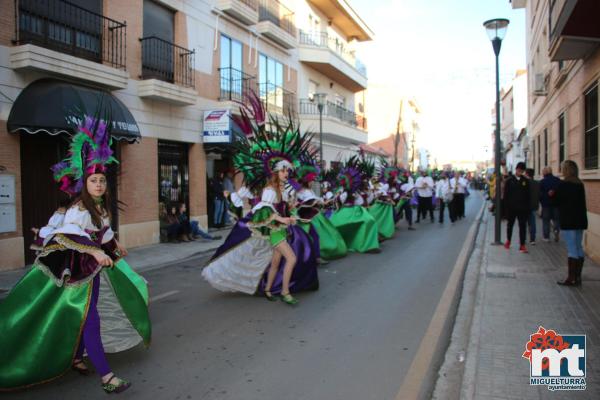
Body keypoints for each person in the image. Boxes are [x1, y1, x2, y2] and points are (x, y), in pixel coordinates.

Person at [0, 116, 150, 393]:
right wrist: (95, 251)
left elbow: (103, 233)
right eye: (94, 180)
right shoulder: (78, 208)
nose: (99, 184)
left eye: (103, 180)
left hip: (89, 270)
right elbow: (68, 234)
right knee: (89, 318)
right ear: (85, 183)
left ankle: (78, 356)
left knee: (85, 315)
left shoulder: (98, 209)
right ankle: (107, 377)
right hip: (75, 271)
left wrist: (115, 247)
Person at [555, 160, 588, 286]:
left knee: (571, 249)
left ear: (566, 170)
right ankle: (578, 277)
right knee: (579, 247)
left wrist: (552, 194)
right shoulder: (580, 184)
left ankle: (571, 278)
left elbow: (557, 201)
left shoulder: (563, 185)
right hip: (580, 220)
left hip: (569, 221)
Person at [503, 162, 530, 253]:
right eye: (519, 170)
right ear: (516, 169)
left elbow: (528, 195)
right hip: (511, 208)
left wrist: (527, 207)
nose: (520, 171)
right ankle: (508, 241)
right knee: (510, 225)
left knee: (522, 226)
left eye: (522, 170)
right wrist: (506, 208)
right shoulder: (509, 181)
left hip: (522, 209)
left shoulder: (525, 181)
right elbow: (506, 195)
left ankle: (522, 245)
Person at [539, 166, 561, 242]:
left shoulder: (542, 182)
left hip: (546, 205)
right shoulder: (558, 180)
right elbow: (561, 192)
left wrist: (542, 201)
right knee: (556, 220)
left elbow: (540, 194)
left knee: (546, 221)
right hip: (556, 204)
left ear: (545, 172)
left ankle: (546, 237)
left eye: (543, 171)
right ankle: (556, 231)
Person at [525, 168, 540, 245]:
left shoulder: (524, 183)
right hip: (534, 205)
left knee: (523, 222)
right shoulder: (537, 183)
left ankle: (523, 238)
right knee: (532, 223)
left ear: (527, 174)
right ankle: (532, 239)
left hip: (524, 206)